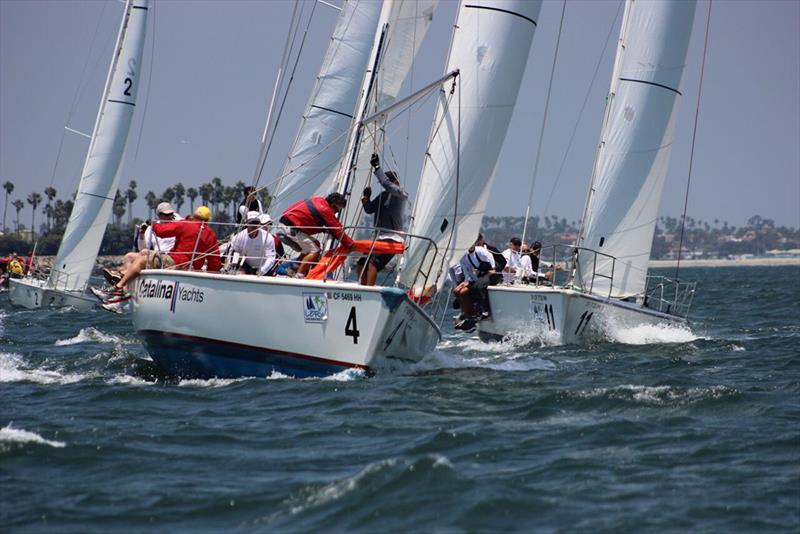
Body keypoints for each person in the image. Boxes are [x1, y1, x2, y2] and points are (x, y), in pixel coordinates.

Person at [95, 208, 221, 300]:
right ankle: (122, 279)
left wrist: (153, 224)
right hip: (192, 269)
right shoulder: (211, 235)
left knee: (143, 260)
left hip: (175, 262)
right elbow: (214, 263)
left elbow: (161, 232)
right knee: (144, 256)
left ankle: (120, 285)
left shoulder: (186, 224)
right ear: (207, 220)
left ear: (194, 216)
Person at [356, 153, 408, 285]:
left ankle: (368, 292)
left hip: (393, 239)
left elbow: (387, 185)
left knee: (373, 265)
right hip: (379, 239)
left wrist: (377, 167)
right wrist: (366, 199)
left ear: (396, 182)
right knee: (362, 263)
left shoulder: (400, 194)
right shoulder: (383, 195)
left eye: (389, 181)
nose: (384, 184)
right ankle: (361, 290)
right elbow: (369, 209)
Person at [276, 192, 354, 277]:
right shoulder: (325, 209)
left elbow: (307, 219)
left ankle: (294, 267)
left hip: (285, 226)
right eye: (337, 210)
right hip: (290, 228)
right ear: (333, 205)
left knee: (316, 244)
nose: (336, 213)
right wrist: (350, 245)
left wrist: (322, 229)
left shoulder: (319, 200)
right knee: (315, 251)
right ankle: (299, 275)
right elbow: (337, 230)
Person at [453, 235, 498, 331]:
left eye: (472, 243)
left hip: (490, 274)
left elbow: (493, 268)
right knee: (458, 291)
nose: (471, 245)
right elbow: (467, 272)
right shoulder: (463, 257)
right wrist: (465, 282)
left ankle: (485, 311)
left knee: (477, 287)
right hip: (475, 278)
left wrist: (478, 278)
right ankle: (468, 315)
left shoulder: (481, 251)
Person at [229, 211, 277, 275]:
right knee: (240, 273)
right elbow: (234, 253)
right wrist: (234, 266)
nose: (254, 225)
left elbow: (271, 257)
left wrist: (261, 271)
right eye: (251, 222)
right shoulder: (238, 237)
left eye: (256, 222)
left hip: (263, 268)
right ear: (247, 223)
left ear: (259, 224)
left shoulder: (268, 237)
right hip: (245, 265)